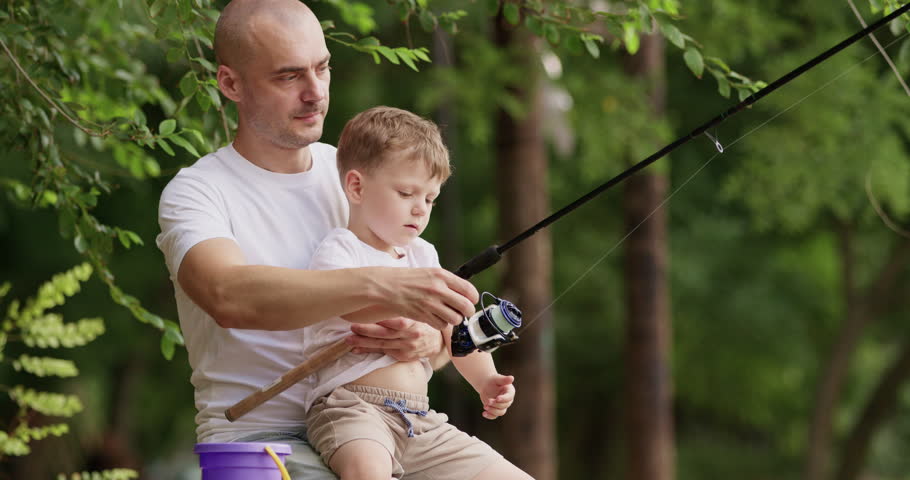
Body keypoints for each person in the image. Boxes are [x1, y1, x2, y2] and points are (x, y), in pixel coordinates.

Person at [155, 1, 478, 478]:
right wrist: (384, 288)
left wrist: (426, 339)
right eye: (288, 77)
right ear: (230, 84)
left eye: (322, 68)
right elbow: (229, 295)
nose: (315, 93)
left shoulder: (367, 174)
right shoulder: (198, 191)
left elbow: (436, 339)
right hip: (263, 443)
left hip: (398, 423)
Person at [302, 106, 532, 480]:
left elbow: (454, 333)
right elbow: (351, 307)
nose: (420, 209)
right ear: (357, 187)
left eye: (430, 198)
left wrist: (486, 380)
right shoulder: (340, 249)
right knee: (367, 470)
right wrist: (410, 303)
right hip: (352, 409)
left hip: (419, 419)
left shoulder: (424, 255)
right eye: (407, 193)